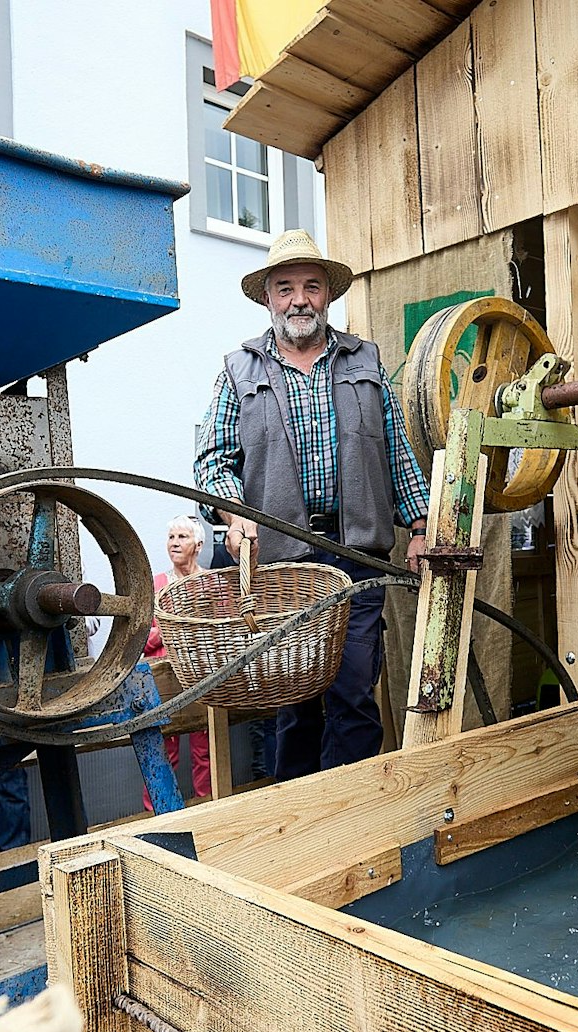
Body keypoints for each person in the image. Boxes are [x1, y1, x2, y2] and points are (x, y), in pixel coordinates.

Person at [194, 228, 429, 781]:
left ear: (327, 295)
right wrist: (235, 517)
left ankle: (354, 821)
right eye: (285, 288)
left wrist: (420, 528)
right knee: (295, 705)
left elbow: (396, 456)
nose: (299, 299)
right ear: (268, 298)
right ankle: (298, 824)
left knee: (353, 696)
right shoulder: (239, 370)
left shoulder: (364, 363)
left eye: (311, 286)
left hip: (357, 560)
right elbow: (211, 462)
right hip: (284, 567)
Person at [145, 515, 211, 801]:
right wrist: (170, 630)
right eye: (171, 537)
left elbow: (218, 630)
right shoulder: (157, 584)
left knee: (206, 748)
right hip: (164, 682)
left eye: (182, 537)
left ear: (198, 544)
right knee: (162, 750)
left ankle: (208, 804)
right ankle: (156, 813)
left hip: (201, 676)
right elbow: (141, 639)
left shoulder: (210, 583)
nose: (174, 543)